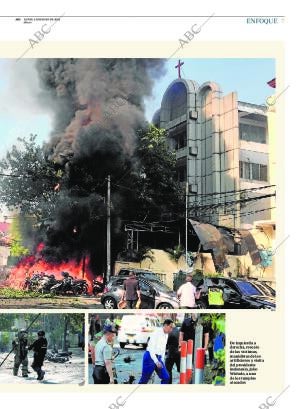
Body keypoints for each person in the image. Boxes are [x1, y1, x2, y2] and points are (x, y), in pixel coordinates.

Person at [138, 319, 174, 384]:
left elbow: (163, 348)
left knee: (166, 377)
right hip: (150, 357)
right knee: (144, 380)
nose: (171, 329)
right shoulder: (156, 333)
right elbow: (151, 349)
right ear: (165, 325)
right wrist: (156, 361)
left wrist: (161, 360)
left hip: (159, 358)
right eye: (170, 327)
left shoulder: (166, 334)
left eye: (172, 328)